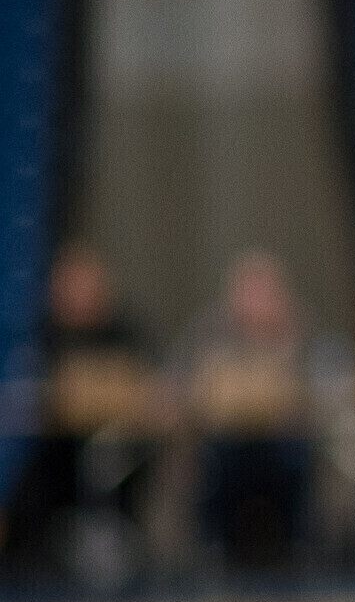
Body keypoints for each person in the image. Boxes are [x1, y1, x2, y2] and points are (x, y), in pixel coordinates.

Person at [3, 242, 155, 581]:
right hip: (59, 449)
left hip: (116, 443)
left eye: (86, 283)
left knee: (115, 457)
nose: (80, 294)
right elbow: (30, 393)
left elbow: (147, 385)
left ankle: (114, 538)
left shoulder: (125, 331)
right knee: (32, 471)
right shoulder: (46, 336)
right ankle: (39, 551)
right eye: (71, 285)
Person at [181, 251, 326, 566]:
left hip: (281, 439)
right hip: (227, 441)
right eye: (249, 292)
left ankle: (301, 544)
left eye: (265, 292)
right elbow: (187, 386)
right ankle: (213, 547)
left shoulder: (301, 330)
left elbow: (321, 388)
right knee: (213, 460)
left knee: (298, 455)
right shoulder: (209, 330)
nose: (257, 302)